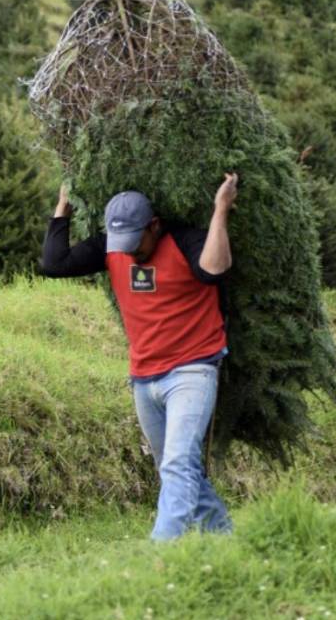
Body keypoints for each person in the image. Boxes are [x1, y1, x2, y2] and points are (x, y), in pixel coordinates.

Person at [40, 174, 239, 541]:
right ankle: (225, 540)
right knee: (176, 470)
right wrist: (63, 204)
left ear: (154, 226)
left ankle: (159, 555)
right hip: (144, 378)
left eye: (136, 241)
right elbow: (54, 263)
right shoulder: (113, 248)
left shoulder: (183, 240)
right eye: (122, 243)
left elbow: (214, 270)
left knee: (179, 465)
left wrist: (220, 210)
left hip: (192, 370)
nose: (129, 251)